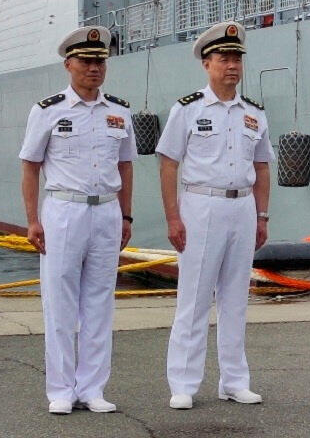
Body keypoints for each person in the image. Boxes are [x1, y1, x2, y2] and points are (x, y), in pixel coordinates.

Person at [156, 21, 273, 410]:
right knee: (194, 296)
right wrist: (173, 218)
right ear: (207, 64)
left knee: (236, 297)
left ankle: (234, 381)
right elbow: (168, 163)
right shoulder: (188, 109)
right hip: (201, 205)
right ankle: (183, 383)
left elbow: (261, 167)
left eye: (237, 58)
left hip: (242, 206)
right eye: (224, 58)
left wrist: (262, 216)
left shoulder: (253, 112)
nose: (232, 65)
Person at [19, 25, 134, 415]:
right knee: (60, 301)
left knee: (100, 302)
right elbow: (30, 166)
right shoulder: (48, 110)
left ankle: (92, 388)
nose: (94, 68)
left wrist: (126, 215)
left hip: (107, 210)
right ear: (68, 64)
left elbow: (126, 165)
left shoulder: (119, 111)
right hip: (64, 210)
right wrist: (32, 220)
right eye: (86, 61)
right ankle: (61, 389)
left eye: (100, 61)